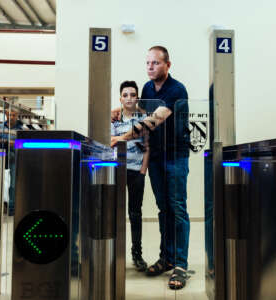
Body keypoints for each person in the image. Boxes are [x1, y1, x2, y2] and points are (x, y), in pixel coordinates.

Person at [111, 46, 190, 290]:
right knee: (163, 208)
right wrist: (119, 110)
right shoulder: (146, 88)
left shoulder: (176, 89)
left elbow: (152, 120)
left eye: (155, 63)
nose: (150, 67)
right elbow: (139, 113)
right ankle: (166, 258)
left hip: (175, 156)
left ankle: (180, 264)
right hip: (155, 157)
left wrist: (121, 137)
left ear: (167, 65)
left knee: (177, 207)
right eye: (147, 63)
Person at [111, 80, 149, 271]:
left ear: (137, 97)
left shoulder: (144, 118)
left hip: (136, 173)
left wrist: (143, 170)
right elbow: (109, 142)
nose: (129, 98)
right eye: (125, 95)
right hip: (118, 170)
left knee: (135, 213)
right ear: (120, 98)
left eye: (133, 94)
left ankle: (137, 254)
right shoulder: (113, 118)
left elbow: (148, 146)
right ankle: (115, 253)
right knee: (115, 213)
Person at [0, 109, 23, 216]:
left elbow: (21, 144)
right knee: (0, 182)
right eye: (9, 115)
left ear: (17, 116)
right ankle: (0, 205)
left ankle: (11, 208)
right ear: (6, 115)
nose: (11, 117)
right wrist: (7, 142)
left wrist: (10, 143)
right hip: (1, 156)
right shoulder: (0, 127)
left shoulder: (21, 130)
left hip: (15, 158)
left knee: (13, 184)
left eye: (13, 115)